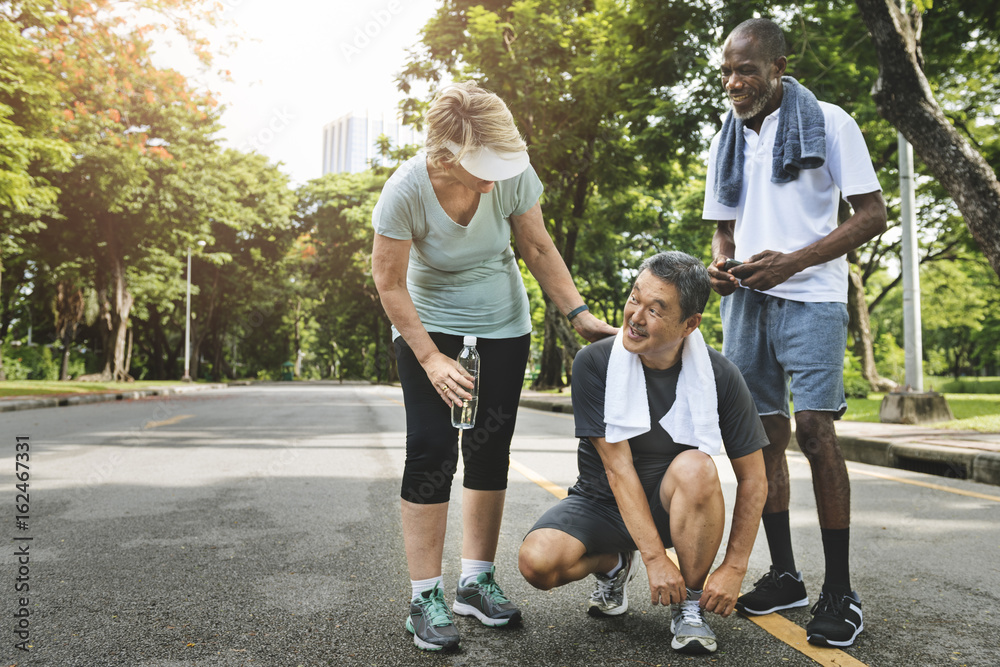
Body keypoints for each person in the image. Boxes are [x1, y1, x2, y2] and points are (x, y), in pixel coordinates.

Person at [371, 81, 616, 652]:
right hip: (427, 322)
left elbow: (537, 247)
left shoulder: (509, 175)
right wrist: (430, 356)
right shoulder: (405, 190)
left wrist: (576, 313)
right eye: (479, 165)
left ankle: (475, 581)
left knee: (489, 445)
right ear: (445, 153)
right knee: (431, 448)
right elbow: (388, 280)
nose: (491, 176)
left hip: (503, 322)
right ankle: (424, 597)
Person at [702, 18, 887, 648]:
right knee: (763, 438)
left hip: (812, 295)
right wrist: (721, 265)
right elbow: (725, 228)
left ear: (778, 67)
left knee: (813, 430)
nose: (732, 82)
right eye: (726, 70)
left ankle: (840, 589)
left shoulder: (831, 121)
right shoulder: (725, 136)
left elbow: (872, 215)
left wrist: (795, 261)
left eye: (745, 71)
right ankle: (785, 574)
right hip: (748, 302)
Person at [518, 251, 769, 655]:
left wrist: (735, 566)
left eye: (656, 309)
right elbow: (617, 470)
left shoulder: (719, 375)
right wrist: (652, 557)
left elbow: (755, 478)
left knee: (697, 467)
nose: (636, 316)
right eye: (635, 298)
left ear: (690, 324)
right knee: (537, 564)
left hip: (675, 508)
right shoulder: (594, 363)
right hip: (602, 501)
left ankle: (690, 603)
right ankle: (615, 563)